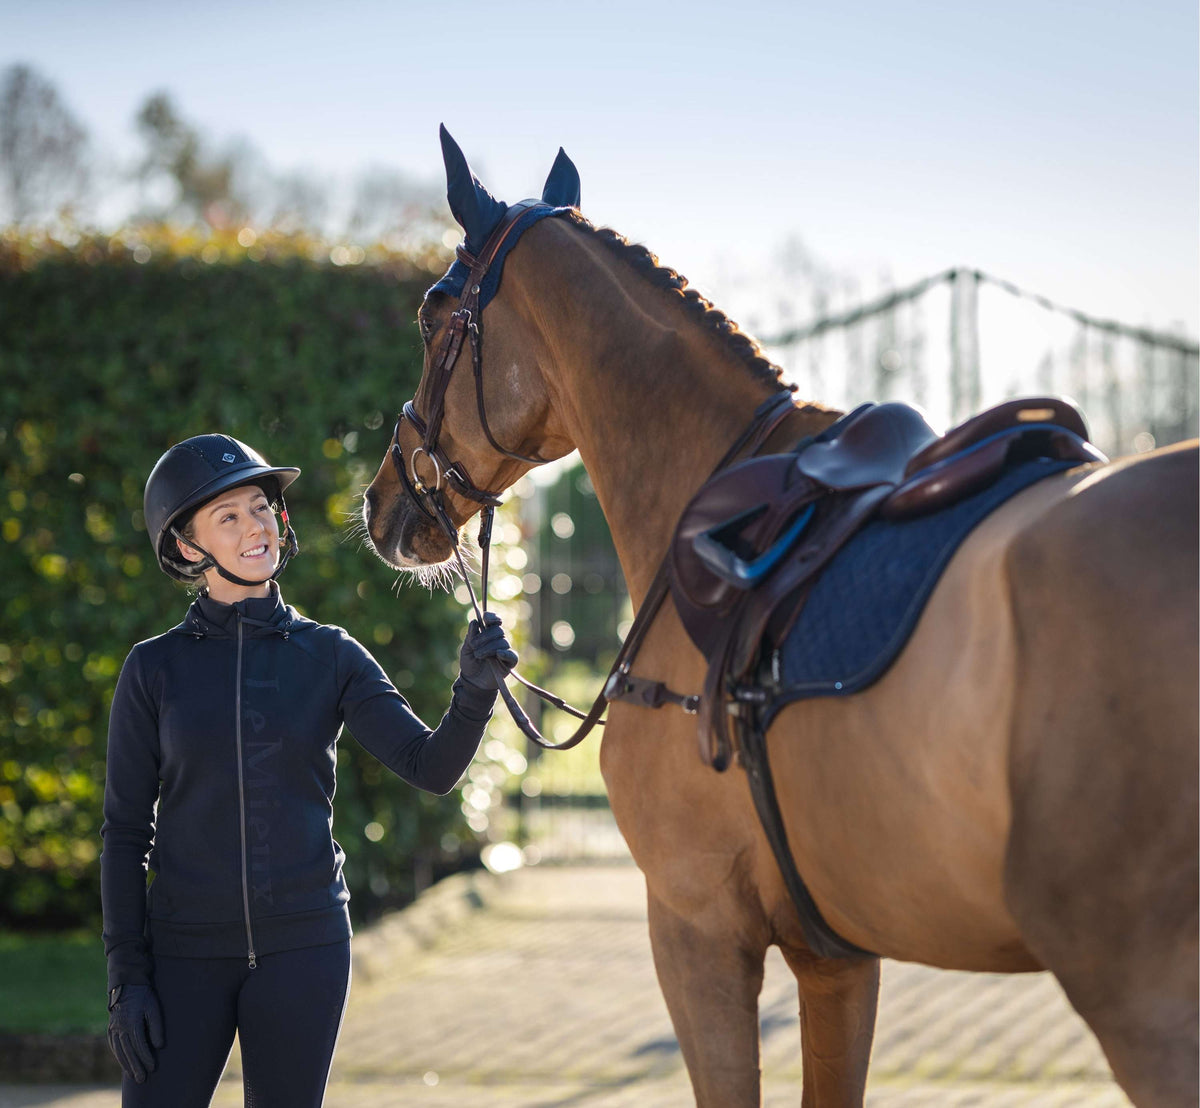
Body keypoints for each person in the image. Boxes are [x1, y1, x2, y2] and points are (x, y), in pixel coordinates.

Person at [101, 434, 516, 1107]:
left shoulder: (330, 655)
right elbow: (124, 832)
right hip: (182, 953)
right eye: (228, 517)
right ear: (185, 547)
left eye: (262, 508)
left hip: (305, 948)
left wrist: (472, 693)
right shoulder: (153, 670)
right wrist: (127, 977)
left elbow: (430, 766)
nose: (256, 527)